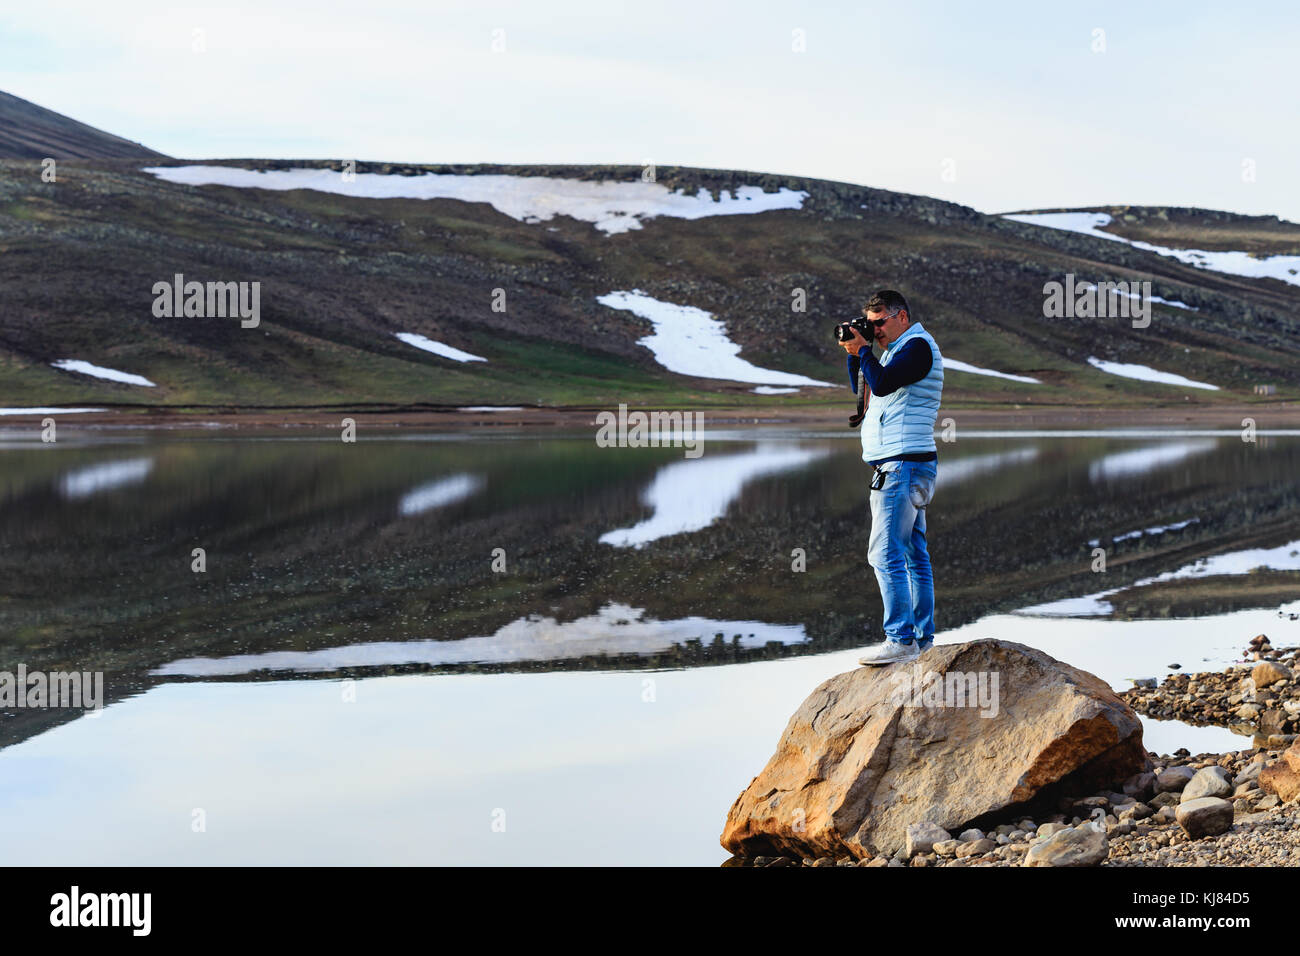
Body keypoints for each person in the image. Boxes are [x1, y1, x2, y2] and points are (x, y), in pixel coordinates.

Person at [837, 290, 944, 665]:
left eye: (880, 322)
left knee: (884, 553)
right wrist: (857, 354)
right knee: (913, 554)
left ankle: (901, 639)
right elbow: (866, 390)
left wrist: (866, 351)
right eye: (871, 323)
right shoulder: (897, 352)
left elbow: (881, 384)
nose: (876, 329)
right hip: (906, 465)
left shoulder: (917, 347)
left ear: (901, 316)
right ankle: (921, 639)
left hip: (902, 466)